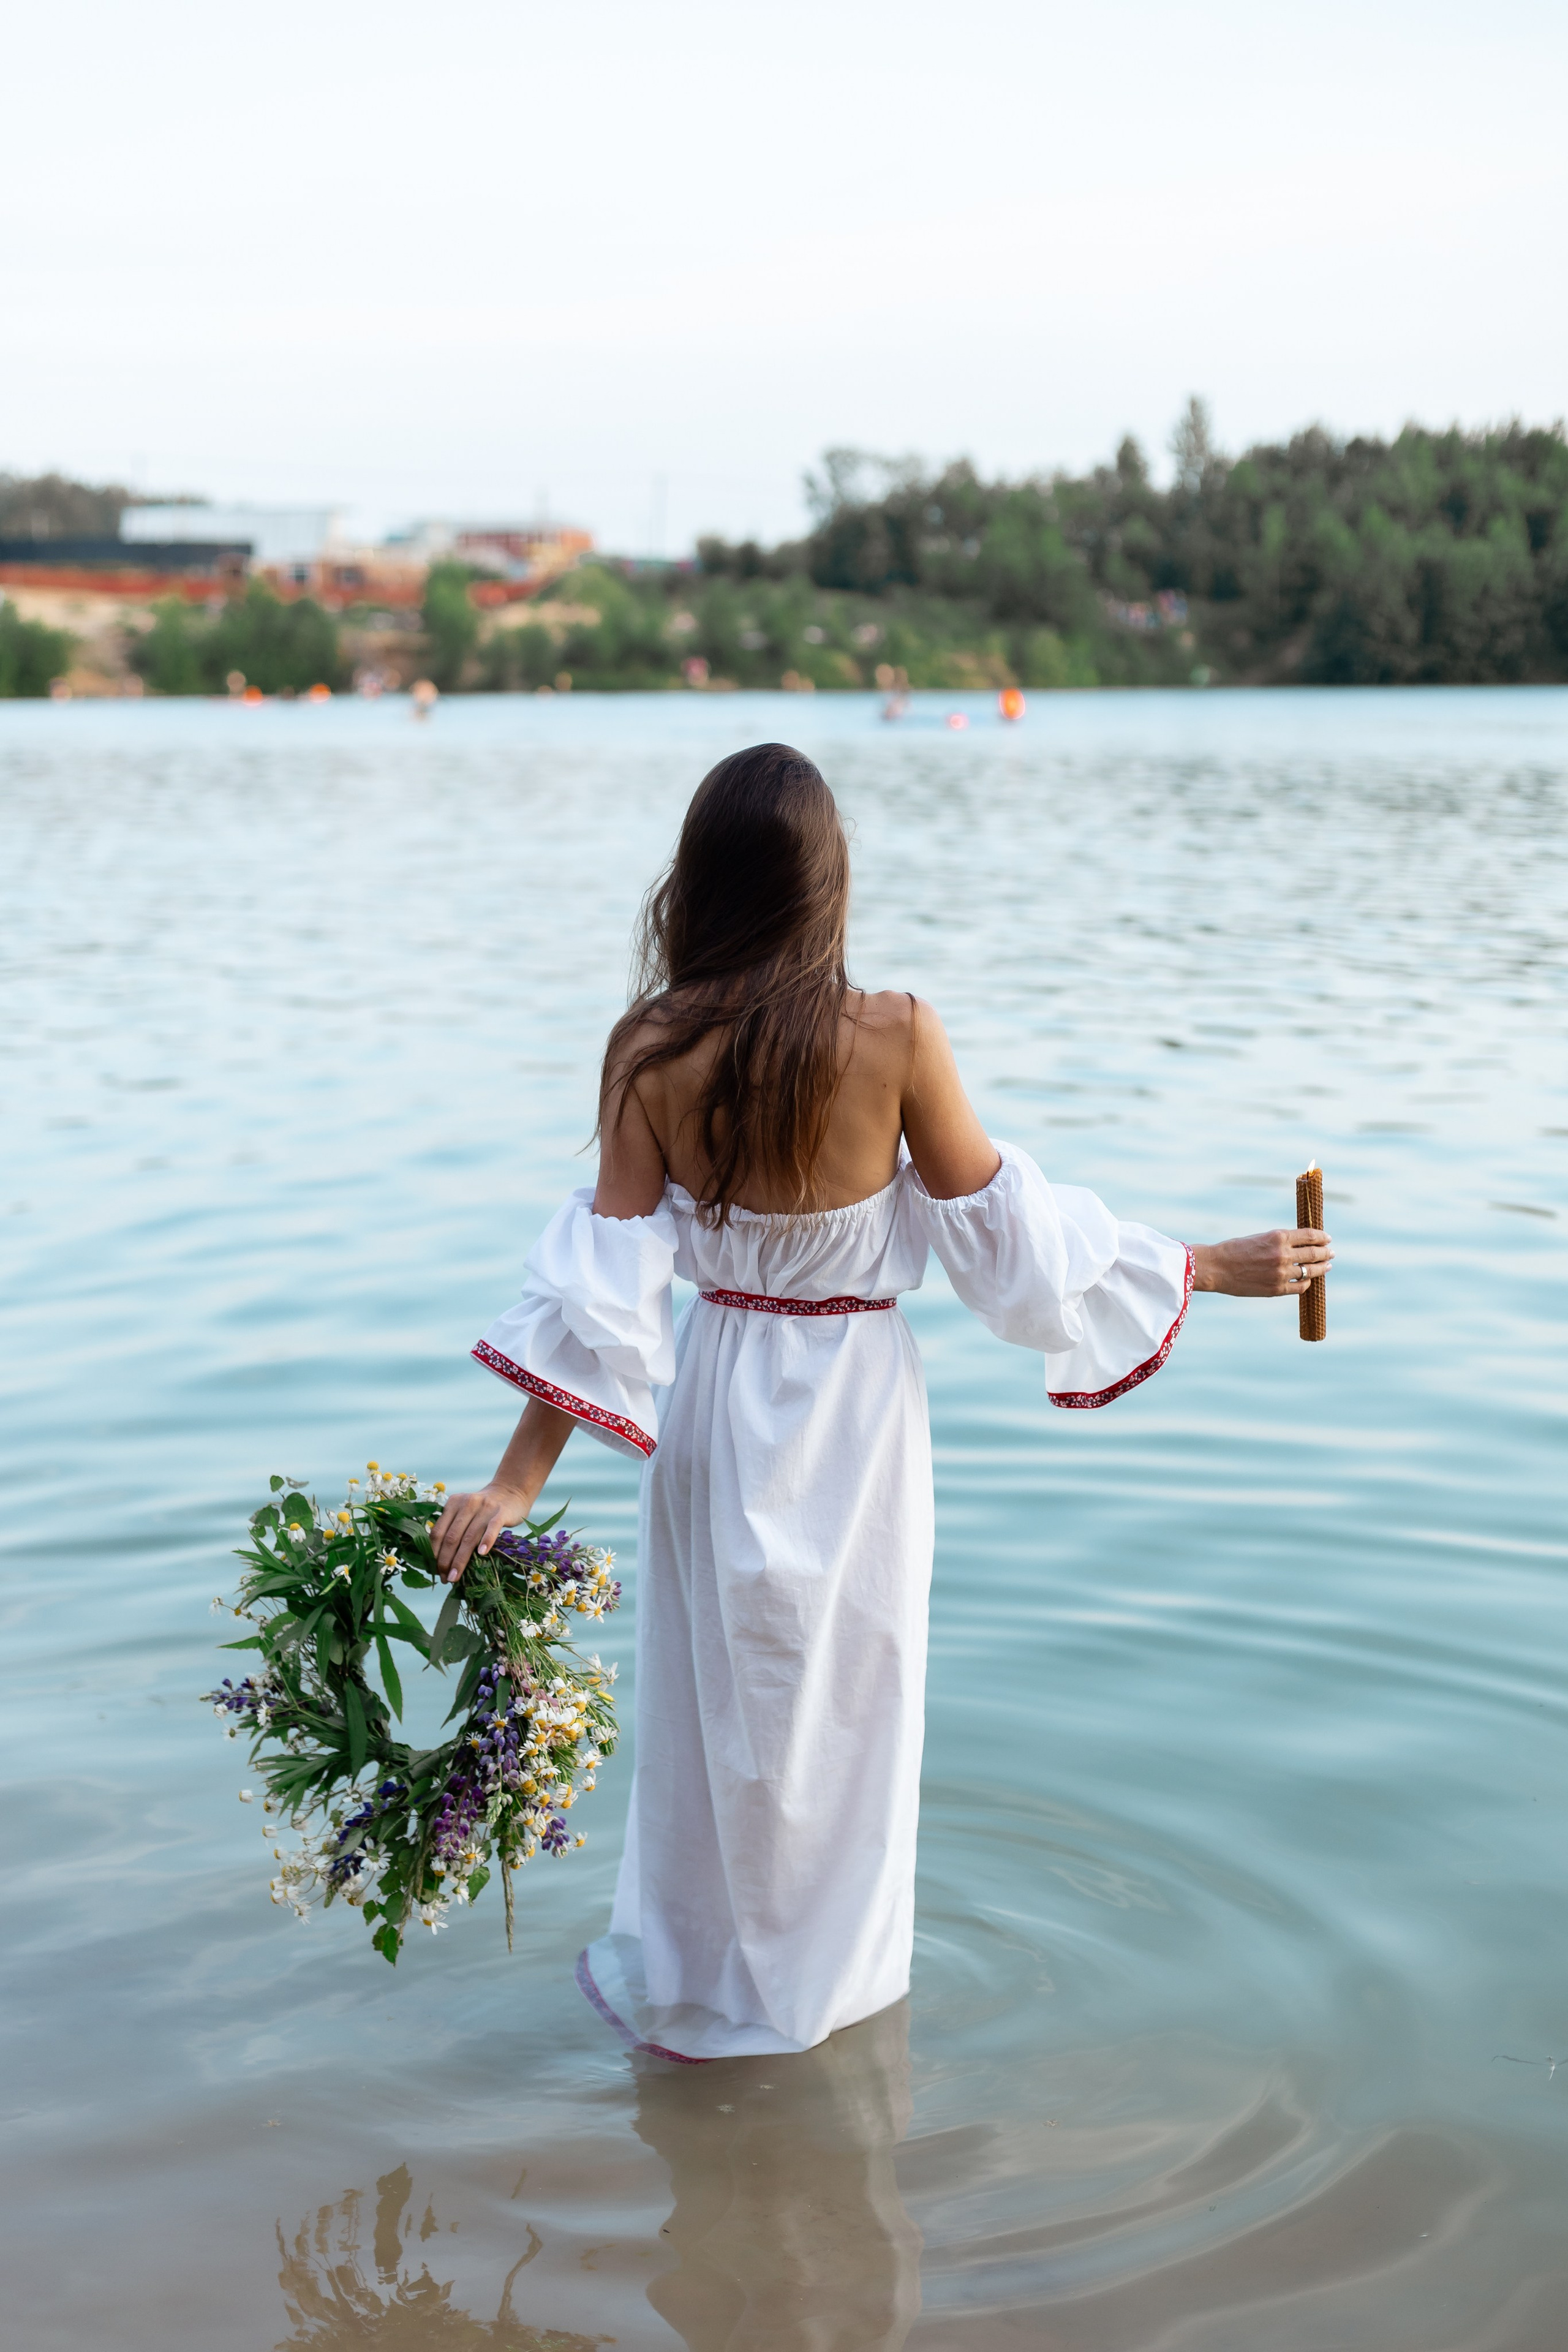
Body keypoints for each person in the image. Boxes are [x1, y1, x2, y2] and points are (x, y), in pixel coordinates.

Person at [433, 744, 1332, 2062]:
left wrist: (517, 1482)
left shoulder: (647, 1051)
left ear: (697, 882)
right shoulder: (897, 1034)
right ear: (824, 881)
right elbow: (1017, 1251)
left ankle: (705, 1991)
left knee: (718, 1709)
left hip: (717, 1395)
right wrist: (1203, 1265)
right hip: (854, 1411)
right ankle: (827, 2025)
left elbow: (603, 1296)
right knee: (849, 1710)